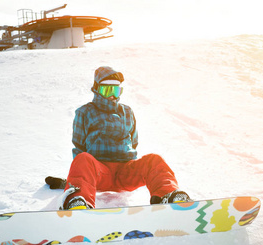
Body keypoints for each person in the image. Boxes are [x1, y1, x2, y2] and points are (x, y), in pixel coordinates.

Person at [61, 66, 191, 210]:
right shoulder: (85, 112)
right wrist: (79, 177)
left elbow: (134, 141)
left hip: (125, 172)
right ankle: (78, 202)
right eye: (107, 90)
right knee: (83, 158)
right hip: (99, 171)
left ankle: (168, 195)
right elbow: (79, 146)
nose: (112, 95)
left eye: (115, 90)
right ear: (97, 89)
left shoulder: (127, 112)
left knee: (154, 160)